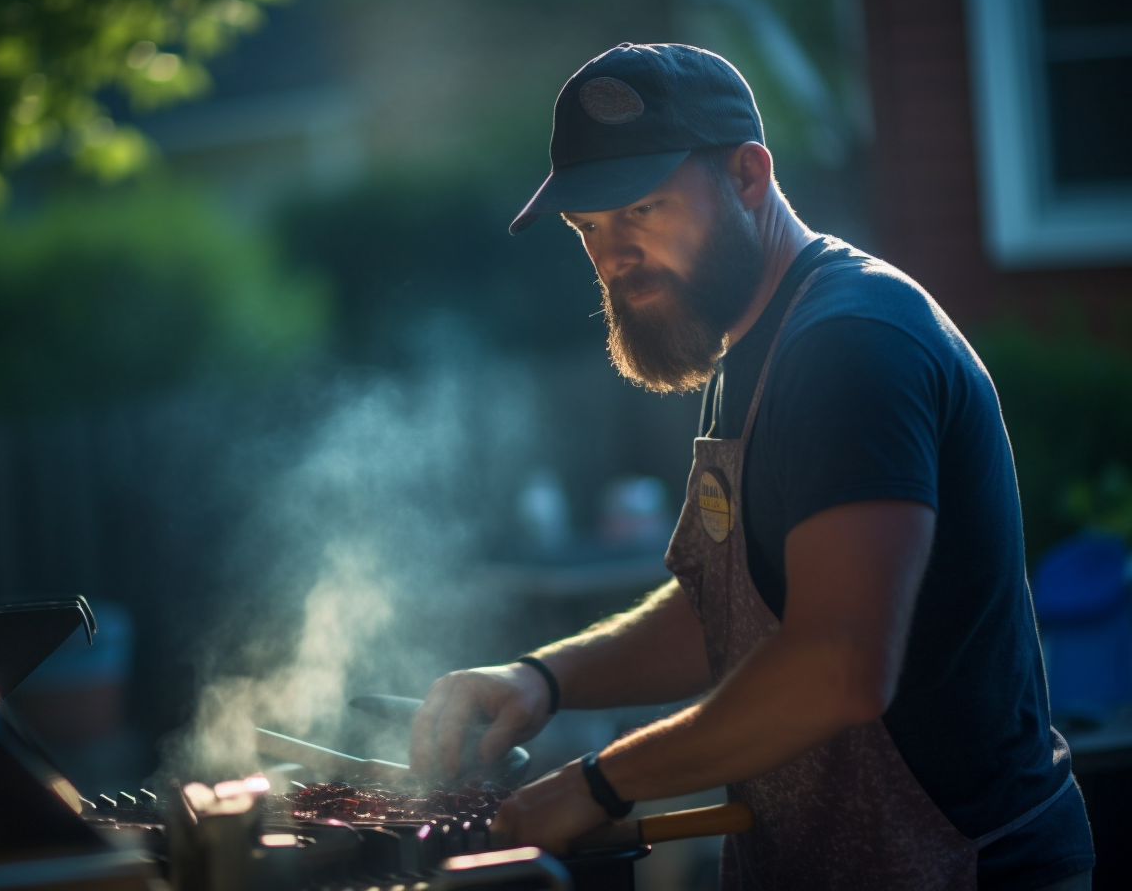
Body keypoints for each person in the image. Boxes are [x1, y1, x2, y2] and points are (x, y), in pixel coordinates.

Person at [408, 43, 1095, 890]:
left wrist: (598, 784)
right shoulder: (746, 346)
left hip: (961, 867)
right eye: (588, 228)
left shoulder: (853, 344)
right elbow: (730, 615)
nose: (612, 257)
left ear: (748, 175)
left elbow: (837, 666)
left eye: (643, 211)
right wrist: (540, 680)